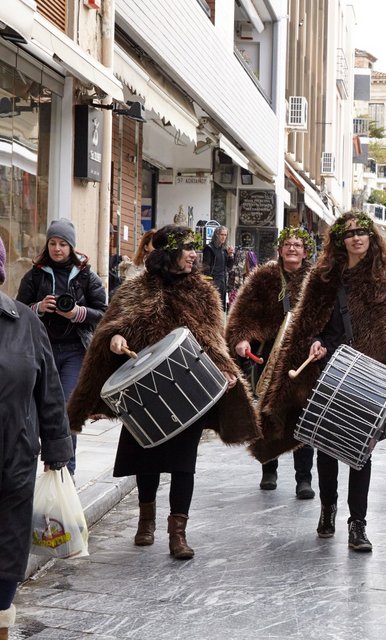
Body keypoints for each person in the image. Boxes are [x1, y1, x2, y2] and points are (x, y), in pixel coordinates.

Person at [67, 225, 260, 560]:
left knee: (184, 464)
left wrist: (225, 371)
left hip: (187, 389)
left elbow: (213, 340)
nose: (193, 254)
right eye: (186, 248)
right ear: (168, 254)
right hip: (144, 389)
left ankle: (178, 533)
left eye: (193, 248)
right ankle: (146, 520)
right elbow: (112, 327)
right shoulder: (135, 289)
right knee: (147, 459)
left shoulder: (203, 293)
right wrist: (115, 338)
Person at [254, 212, 386, 553]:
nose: (357, 238)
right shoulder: (324, 276)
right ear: (340, 239)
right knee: (327, 445)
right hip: (329, 369)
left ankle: (358, 524)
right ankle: (328, 509)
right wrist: (315, 339)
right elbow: (308, 321)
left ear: (371, 238)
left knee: (361, 450)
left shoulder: (385, 277)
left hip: (369, 373)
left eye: (362, 233)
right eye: (350, 233)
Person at [0, 236, 73, 640]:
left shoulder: (24, 323)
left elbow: (48, 391)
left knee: (9, 545)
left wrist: (57, 447)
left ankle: (1, 621)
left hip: (15, 454)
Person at [226, 227, 315, 497]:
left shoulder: (317, 278)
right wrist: (242, 338)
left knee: (304, 417)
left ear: (305, 251)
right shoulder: (263, 277)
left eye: (298, 245)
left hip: (305, 359)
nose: (292, 249)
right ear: (280, 249)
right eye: (288, 244)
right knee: (267, 412)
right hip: (269, 356)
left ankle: (304, 479)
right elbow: (243, 313)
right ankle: (269, 469)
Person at [16, 218, 108, 475]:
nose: (57, 249)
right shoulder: (35, 274)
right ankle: (43, 469)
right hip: (41, 352)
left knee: (67, 412)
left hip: (74, 351)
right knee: (35, 411)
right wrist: (38, 308)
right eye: (53, 243)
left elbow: (103, 313)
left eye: (63, 244)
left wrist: (77, 313)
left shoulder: (86, 275)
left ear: (72, 247)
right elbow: (18, 311)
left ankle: (66, 474)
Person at [203, 225, 234, 308]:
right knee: (212, 307)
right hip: (213, 282)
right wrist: (209, 283)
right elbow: (206, 268)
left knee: (221, 308)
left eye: (225, 235)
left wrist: (230, 255)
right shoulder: (209, 248)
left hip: (222, 282)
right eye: (221, 234)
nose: (223, 237)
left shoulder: (223, 250)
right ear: (216, 234)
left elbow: (228, 267)